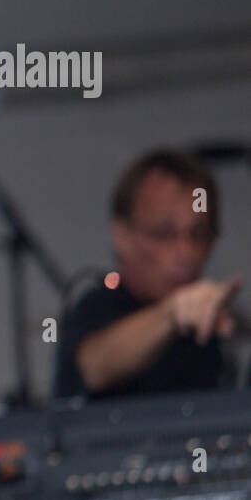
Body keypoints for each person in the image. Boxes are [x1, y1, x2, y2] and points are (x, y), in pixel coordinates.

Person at [53, 149, 242, 399]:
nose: (186, 253)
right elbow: (95, 366)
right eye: (164, 233)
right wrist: (173, 313)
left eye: (198, 234)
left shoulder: (215, 326)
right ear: (122, 235)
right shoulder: (97, 306)